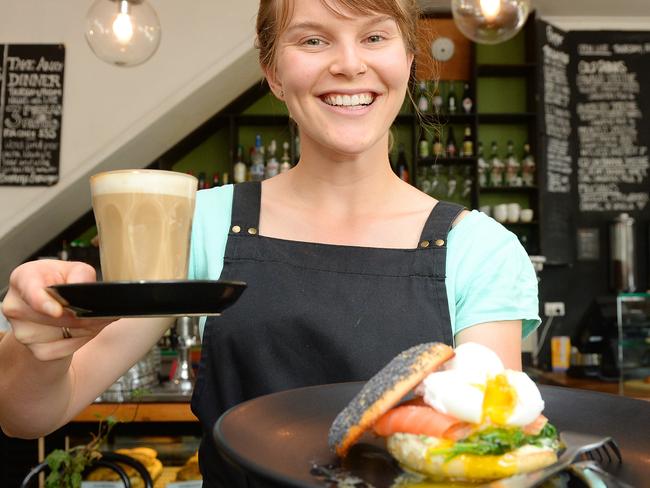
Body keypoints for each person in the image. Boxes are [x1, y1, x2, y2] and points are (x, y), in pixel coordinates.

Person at [0, 0, 540, 486]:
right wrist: (44, 343)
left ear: (408, 60)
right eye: (312, 39)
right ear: (273, 71)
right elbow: (28, 415)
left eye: (375, 37)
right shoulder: (201, 221)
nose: (350, 64)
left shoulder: (481, 249)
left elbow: (492, 457)